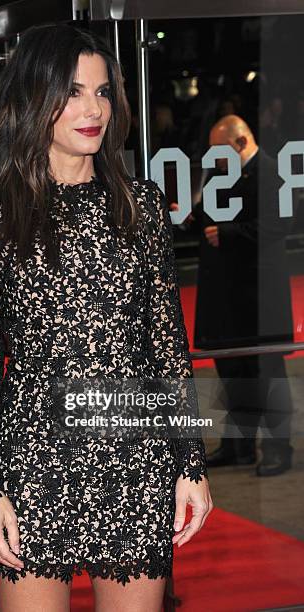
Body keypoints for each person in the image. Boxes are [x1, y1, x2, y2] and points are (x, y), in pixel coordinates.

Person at [0, 24, 213, 612]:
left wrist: (188, 462)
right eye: (73, 92)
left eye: (102, 92)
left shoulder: (140, 204)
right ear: (35, 98)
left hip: (133, 456)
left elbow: (166, 346)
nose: (93, 108)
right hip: (31, 460)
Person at [171, 115, 294, 477]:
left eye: (218, 151)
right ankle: (238, 446)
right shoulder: (227, 173)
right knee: (234, 369)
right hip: (229, 293)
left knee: (267, 372)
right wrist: (189, 218)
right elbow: (212, 217)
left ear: (240, 142)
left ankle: (277, 448)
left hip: (257, 294)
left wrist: (228, 234)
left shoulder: (271, 173)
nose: (213, 159)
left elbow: (278, 224)